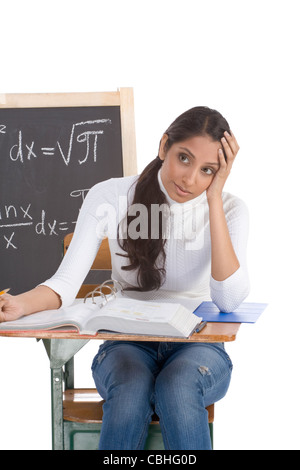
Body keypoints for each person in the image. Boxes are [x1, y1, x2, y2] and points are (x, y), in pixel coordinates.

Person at [0, 106, 250, 450]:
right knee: (131, 390)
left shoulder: (230, 209)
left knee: (177, 389)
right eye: (184, 158)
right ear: (164, 147)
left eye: (208, 170)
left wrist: (214, 199)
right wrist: (18, 304)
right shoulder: (110, 196)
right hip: (126, 343)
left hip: (197, 346)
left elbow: (229, 300)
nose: (191, 178)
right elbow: (65, 284)